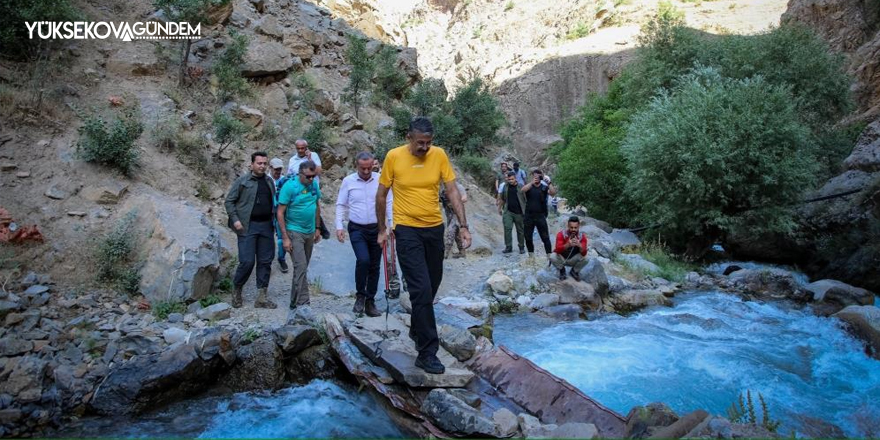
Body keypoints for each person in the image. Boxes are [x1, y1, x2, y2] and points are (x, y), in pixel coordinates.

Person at [376, 116, 471, 375]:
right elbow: (382, 195)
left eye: (429, 142)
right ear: (409, 137)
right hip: (406, 230)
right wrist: (383, 229)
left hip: (433, 229)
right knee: (420, 289)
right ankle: (427, 352)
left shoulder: (439, 155)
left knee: (432, 284)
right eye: (420, 142)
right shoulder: (393, 157)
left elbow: (451, 191)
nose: (425, 147)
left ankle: (417, 327)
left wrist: (463, 226)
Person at [336, 152, 394, 317]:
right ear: (356, 166)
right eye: (363, 168)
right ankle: (360, 295)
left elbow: (389, 201)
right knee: (363, 260)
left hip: (377, 228)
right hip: (357, 228)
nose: (367, 171)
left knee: (375, 265)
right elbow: (341, 204)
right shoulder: (348, 181)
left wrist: (391, 223)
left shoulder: (381, 179)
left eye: (369, 168)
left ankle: (370, 301)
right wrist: (339, 226)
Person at [224, 152, 278, 309]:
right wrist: (236, 220)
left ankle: (261, 297)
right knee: (247, 261)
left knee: (265, 261)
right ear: (252, 164)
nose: (262, 166)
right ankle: (237, 289)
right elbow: (229, 201)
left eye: (264, 163)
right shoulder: (242, 181)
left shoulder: (269, 181)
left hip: (266, 226)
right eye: (259, 163)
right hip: (247, 226)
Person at [277, 160, 322, 317]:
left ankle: (295, 300)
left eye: (314, 176)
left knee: (302, 268)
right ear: (300, 174)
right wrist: (285, 237)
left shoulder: (314, 185)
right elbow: (280, 212)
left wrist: (318, 228)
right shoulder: (290, 187)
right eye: (309, 177)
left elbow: (317, 206)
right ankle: (302, 303)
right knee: (300, 266)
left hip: (310, 231)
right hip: (294, 231)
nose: (311, 180)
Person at [287, 139, 330, 240]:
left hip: (311, 187)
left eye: (303, 148)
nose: (301, 150)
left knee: (314, 206)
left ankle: (319, 229)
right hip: (298, 187)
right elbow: (289, 174)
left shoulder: (313, 155)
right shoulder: (292, 160)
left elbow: (319, 171)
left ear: (306, 148)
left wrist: (310, 159)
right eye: (298, 148)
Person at [522, 169, 557, 259]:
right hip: (529, 215)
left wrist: (549, 183)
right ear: (532, 176)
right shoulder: (529, 187)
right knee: (528, 237)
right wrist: (532, 183)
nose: (536, 177)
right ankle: (531, 257)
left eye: (538, 176)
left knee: (545, 237)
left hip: (541, 215)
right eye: (535, 176)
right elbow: (523, 190)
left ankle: (549, 257)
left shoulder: (544, 187)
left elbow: (553, 193)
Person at [497, 171, 526, 254]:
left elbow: (526, 199)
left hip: (519, 212)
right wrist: (499, 208)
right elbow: (502, 199)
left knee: (520, 230)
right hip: (508, 211)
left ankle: (521, 247)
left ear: (515, 178)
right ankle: (508, 247)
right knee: (507, 229)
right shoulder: (505, 187)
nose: (510, 181)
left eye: (512, 179)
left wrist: (527, 211)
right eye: (509, 179)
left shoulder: (521, 187)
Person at [552, 216, 588, 281]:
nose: (573, 229)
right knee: (552, 256)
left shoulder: (582, 236)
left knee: (586, 259)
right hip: (562, 259)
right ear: (568, 226)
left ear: (579, 226)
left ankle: (574, 271)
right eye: (571, 227)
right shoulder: (561, 234)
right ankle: (562, 270)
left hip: (573, 259)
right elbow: (557, 250)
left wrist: (579, 245)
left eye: (575, 228)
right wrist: (568, 244)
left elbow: (584, 253)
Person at [269, 158, 289, 273]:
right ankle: (266, 260)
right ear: (270, 168)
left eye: (280, 169)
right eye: (276, 169)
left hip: (280, 213)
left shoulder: (285, 180)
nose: (278, 171)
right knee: (267, 238)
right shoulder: (266, 179)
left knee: (282, 238)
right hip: (267, 213)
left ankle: (281, 259)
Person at [440, 181, 468, 259]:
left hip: (456, 213)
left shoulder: (458, 186)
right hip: (449, 213)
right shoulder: (441, 187)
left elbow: (464, 198)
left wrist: (454, 202)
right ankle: (462, 252)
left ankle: (445, 253)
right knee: (457, 233)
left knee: (450, 230)